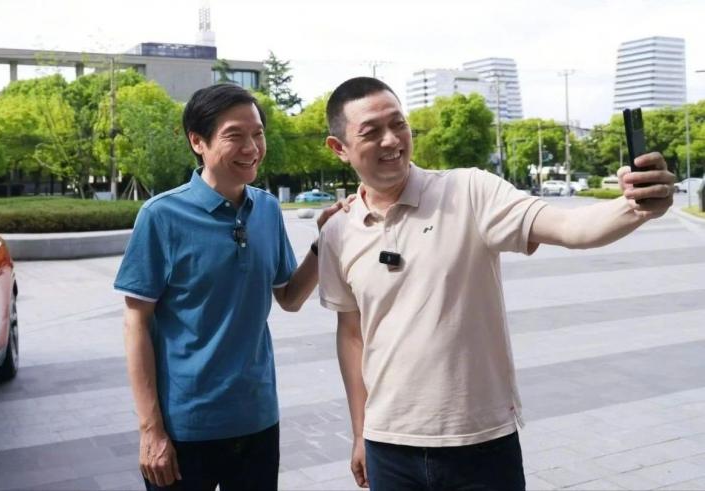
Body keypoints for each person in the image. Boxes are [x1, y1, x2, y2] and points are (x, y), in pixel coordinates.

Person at [317, 77, 675, 490]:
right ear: (339, 148)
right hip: (389, 447)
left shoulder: (468, 190)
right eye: (371, 132)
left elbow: (570, 227)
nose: (392, 139)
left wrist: (636, 206)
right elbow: (352, 335)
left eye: (399, 124)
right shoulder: (338, 233)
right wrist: (360, 432)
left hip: (480, 442)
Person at [114, 83, 343, 491]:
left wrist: (321, 241)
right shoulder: (161, 215)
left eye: (258, 134)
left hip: (257, 420)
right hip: (185, 428)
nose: (251, 147)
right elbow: (136, 324)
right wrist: (150, 429)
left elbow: (289, 297)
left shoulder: (267, 208)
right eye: (234, 135)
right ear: (197, 142)